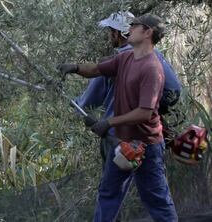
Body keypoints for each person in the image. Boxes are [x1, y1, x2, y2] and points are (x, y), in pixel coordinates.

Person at [58, 14, 178, 221]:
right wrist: (75, 68)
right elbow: (96, 69)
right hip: (121, 143)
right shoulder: (125, 57)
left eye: (134, 25)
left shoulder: (152, 68)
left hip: (146, 146)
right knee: (108, 195)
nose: (129, 28)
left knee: (156, 200)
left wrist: (109, 122)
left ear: (148, 32)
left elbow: (145, 112)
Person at [73, 11, 181, 165]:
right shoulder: (155, 55)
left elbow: (88, 101)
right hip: (147, 137)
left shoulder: (117, 61)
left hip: (118, 136)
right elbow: (173, 90)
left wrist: (77, 104)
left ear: (117, 33)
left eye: (111, 31)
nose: (110, 36)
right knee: (151, 185)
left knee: (111, 187)